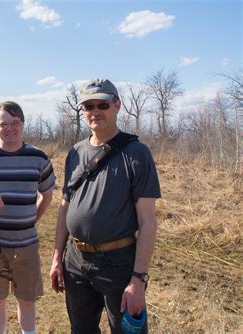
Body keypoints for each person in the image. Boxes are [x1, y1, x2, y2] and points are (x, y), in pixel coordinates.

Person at [49, 78, 161, 333]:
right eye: (88, 106)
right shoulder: (75, 152)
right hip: (75, 259)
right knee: (81, 329)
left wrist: (138, 280)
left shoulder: (137, 153)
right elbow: (65, 206)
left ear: (117, 106)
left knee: (126, 330)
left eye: (103, 104)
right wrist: (57, 258)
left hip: (117, 263)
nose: (95, 111)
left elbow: (147, 222)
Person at [0, 101, 56, 334]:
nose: (10, 128)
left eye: (15, 123)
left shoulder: (39, 158)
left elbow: (47, 195)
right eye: (4, 124)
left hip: (26, 244)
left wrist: (32, 220)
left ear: (23, 124)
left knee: (26, 298)